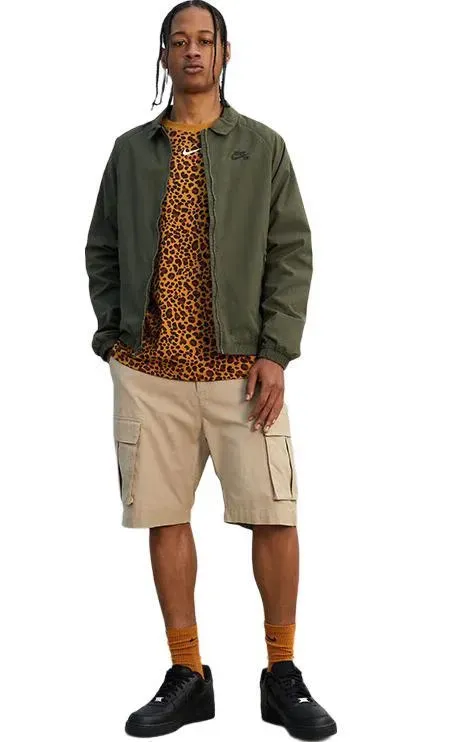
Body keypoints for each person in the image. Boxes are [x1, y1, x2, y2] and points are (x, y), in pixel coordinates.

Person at [84, 2, 336, 738]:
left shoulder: (262, 148)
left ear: (226, 52)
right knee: (163, 517)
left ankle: (281, 673)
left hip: (242, 373)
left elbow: (291, 252)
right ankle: (187, 674)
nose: (193, 51)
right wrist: (114, 338)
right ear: (163, 54)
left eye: (205, 40)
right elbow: (102, 247)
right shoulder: (131, 152)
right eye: (180, 41)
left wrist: (275, 350)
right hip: (150, 371)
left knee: (274, 515)